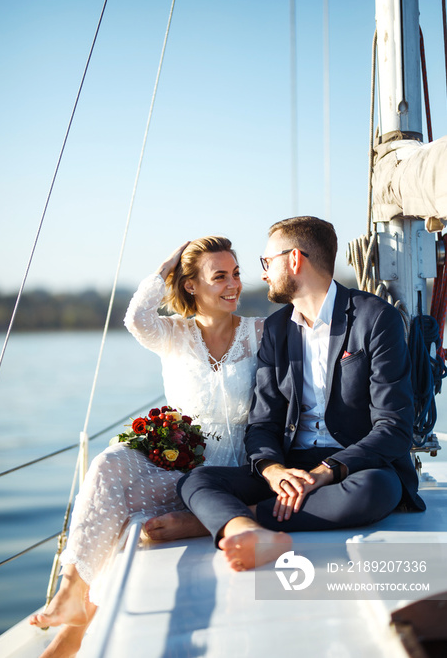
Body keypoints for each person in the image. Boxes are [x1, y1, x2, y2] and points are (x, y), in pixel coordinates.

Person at [29, 236, 264, 657]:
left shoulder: (259, 335)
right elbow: (136, 317)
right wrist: (167, 266)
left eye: (236, 274)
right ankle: (71, 590)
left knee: (129, 512)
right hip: (181, 465)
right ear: (190, 285)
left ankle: (77, 628)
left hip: (231, 469)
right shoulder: (173, 334)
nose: (233, 285)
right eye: (220, 276)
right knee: (108, 465)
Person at [178, 216, 426, 572]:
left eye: (267, 262)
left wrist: (327, 472)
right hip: (292, 464)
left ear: (294, 259)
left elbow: (394, 427)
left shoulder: (376, 318)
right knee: (199, 479)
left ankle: (229, 521)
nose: (262, 273)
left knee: (377, 489)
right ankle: (246, 528)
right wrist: (274, 470)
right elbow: (263, 422)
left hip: (351, 468)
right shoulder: (276, 329)